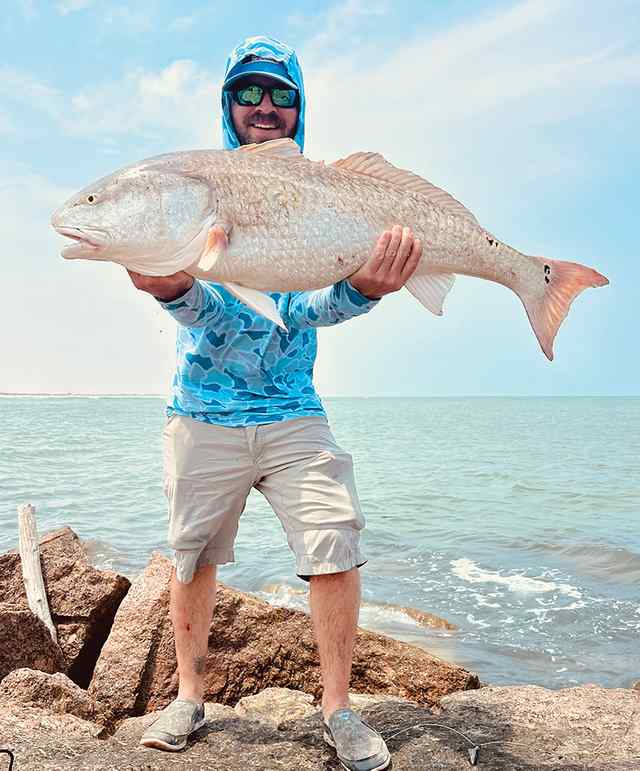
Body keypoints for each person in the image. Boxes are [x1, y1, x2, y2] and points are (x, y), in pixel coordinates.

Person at [131, 35, 422, 771]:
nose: (265, 107)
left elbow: (303, 310)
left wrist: (367, 287)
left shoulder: (318, 196)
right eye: (249, 93)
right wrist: (175, 289)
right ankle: (189, 696)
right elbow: (217, 311)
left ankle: (340, 709)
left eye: (281, 95)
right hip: (202, 410)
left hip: (294, 408)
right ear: (226, 106)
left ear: (300, 109)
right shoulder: (198, 188)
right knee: (191, 554)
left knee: (334, 540)